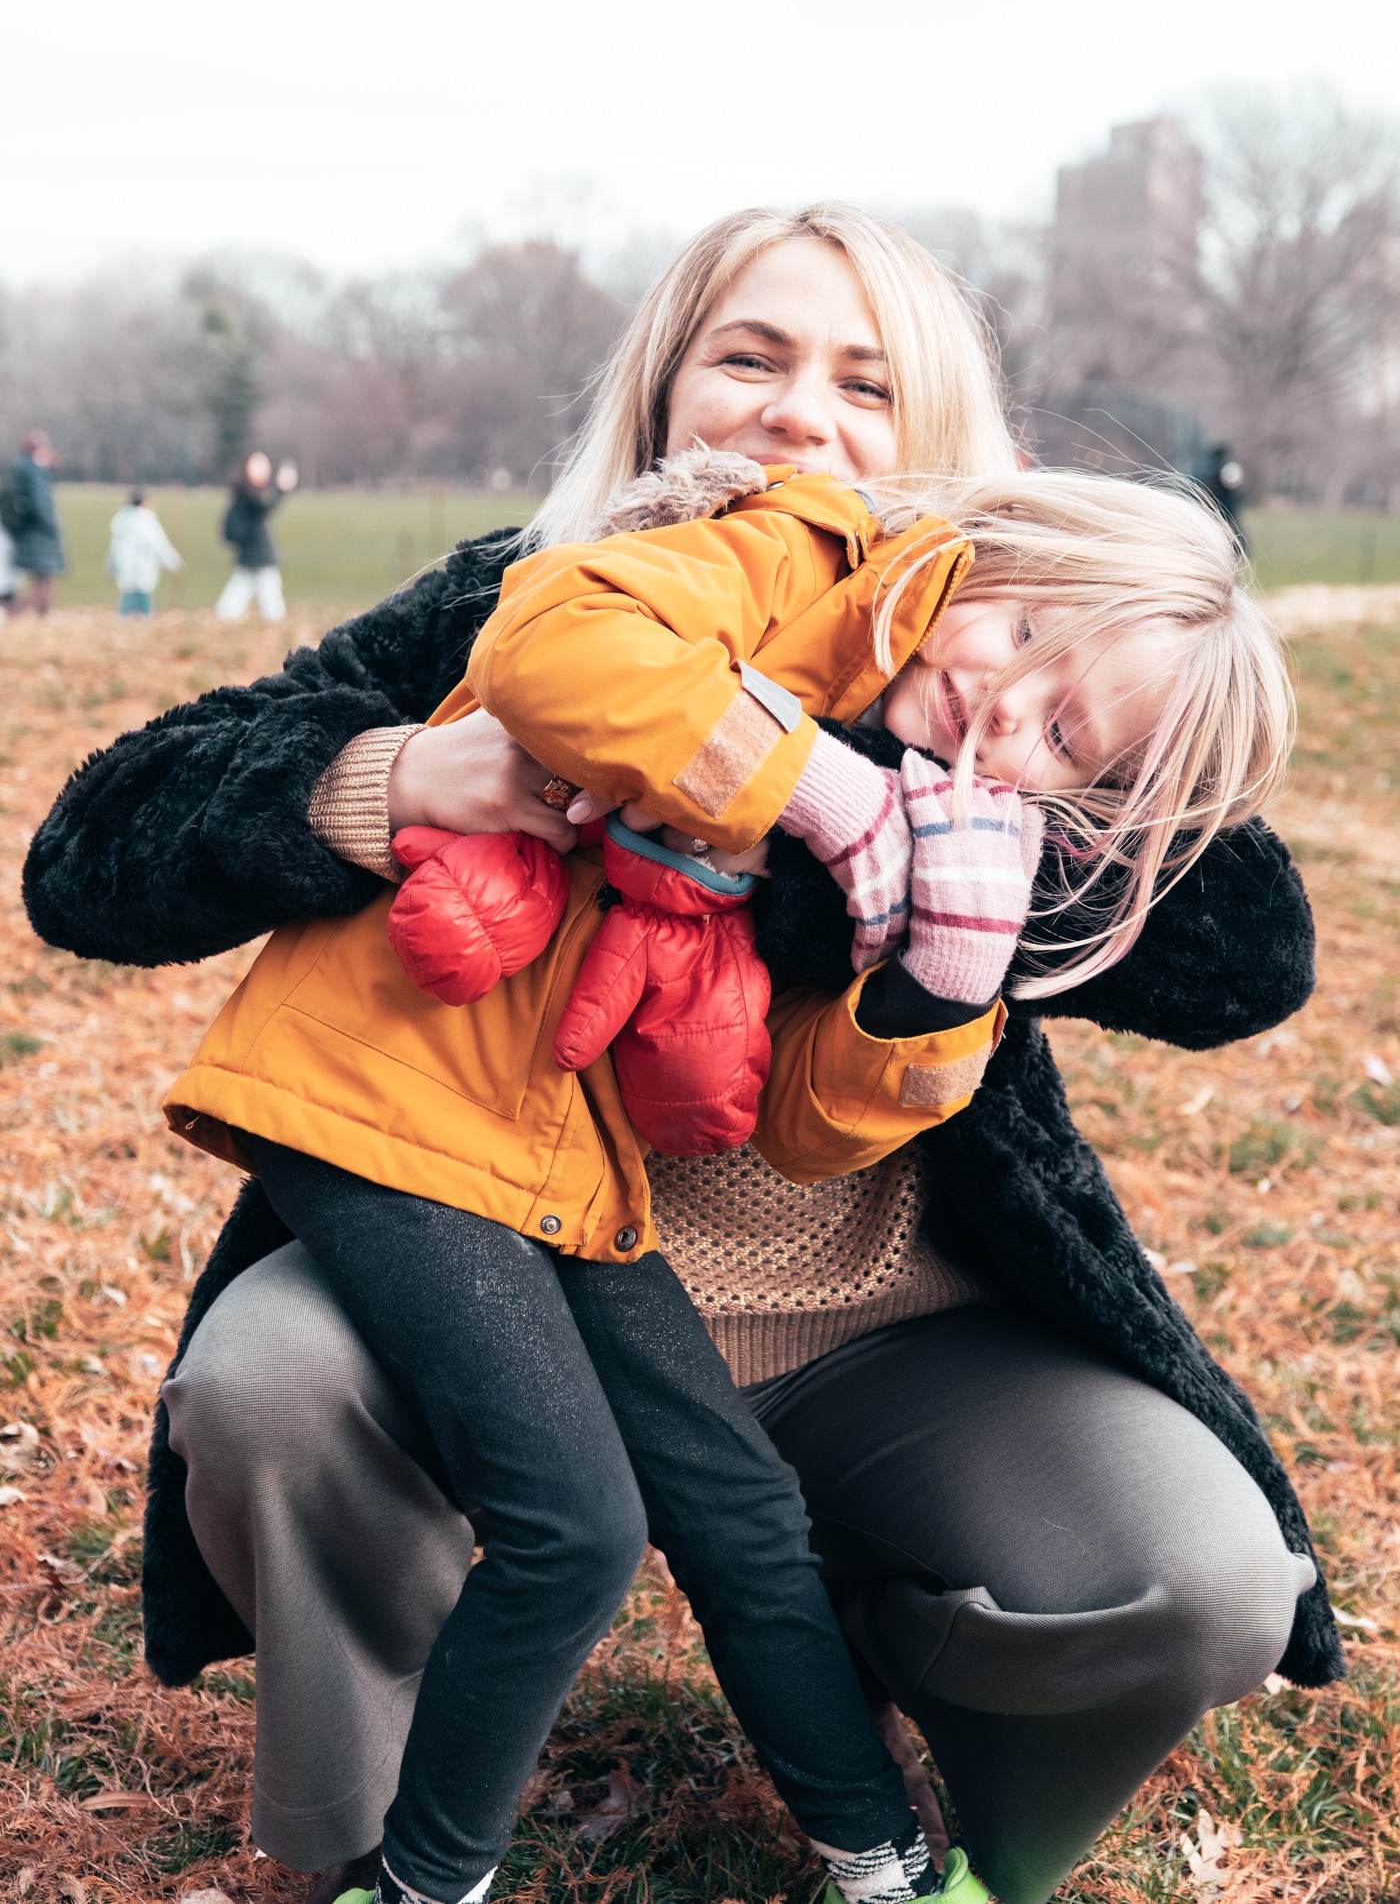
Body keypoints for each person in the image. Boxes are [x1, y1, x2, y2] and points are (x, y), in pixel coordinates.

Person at [21, 207, 1337, 1904]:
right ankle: (365, 1834)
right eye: (750, 356)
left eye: (867, 382)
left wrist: (931, 889)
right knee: (270, 1387)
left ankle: (949, 1784)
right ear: (662, 387)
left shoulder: (1012, 702)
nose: (798, 412)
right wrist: (398, 781)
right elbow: (92, 852)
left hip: (889, 1324)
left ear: (961, 454)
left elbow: (1249, 947)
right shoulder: (536, 597)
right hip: (503, 1252)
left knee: (1204, 1576)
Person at [215, 449, 297, 620]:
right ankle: (273, 618)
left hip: (252, 550)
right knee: (268, 590)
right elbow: (265, 506)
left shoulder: (244, 492)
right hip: (257, 551)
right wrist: (281, 489)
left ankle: (226, 613)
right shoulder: (247, 493)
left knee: (245, 584)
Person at [1, 429, 66, 615]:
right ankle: (17, 611)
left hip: (24, 530)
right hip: (39, 531)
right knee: (45, 579)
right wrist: (51, 525)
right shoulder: (34, 471)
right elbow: (41, 502)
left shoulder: (19, 467)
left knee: (42, 578)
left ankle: (30, 613)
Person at [107, 487, 183, 616]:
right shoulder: (147, 521)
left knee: (126, 608)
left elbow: (114, 548)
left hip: (125, 572)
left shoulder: (120, 520)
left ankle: (124, 621)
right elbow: (159, 545)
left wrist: (111, 567)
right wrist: (173, 562)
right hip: (143, 571)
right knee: (144, 610)